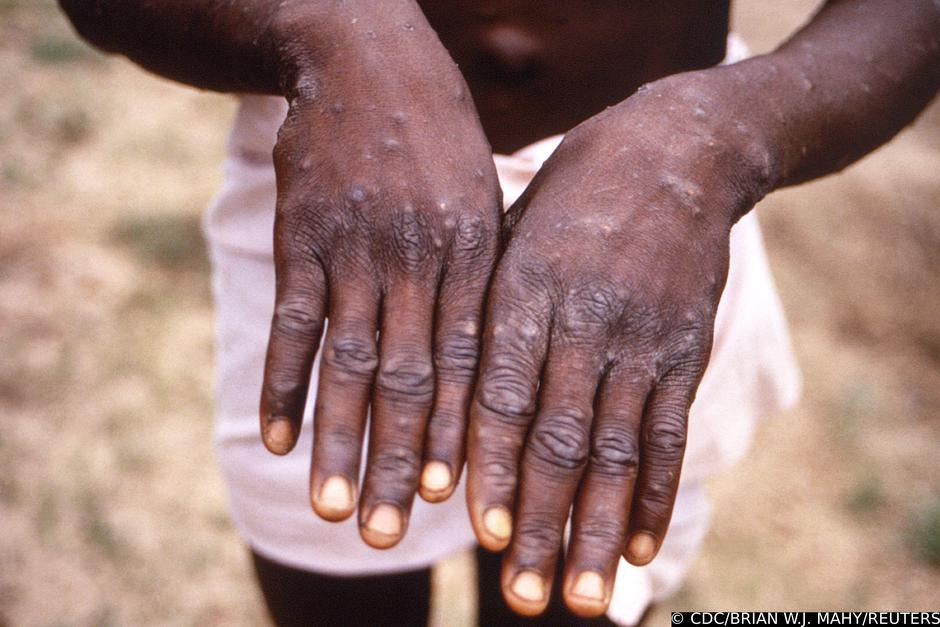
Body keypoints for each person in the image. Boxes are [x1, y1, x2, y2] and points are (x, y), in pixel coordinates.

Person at [57, 1, 939, 625]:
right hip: (348, 162)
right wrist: (322, 24)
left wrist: (718, 137)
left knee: (575, 589)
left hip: (649, 213)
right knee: (329, 573)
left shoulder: (689, 164)